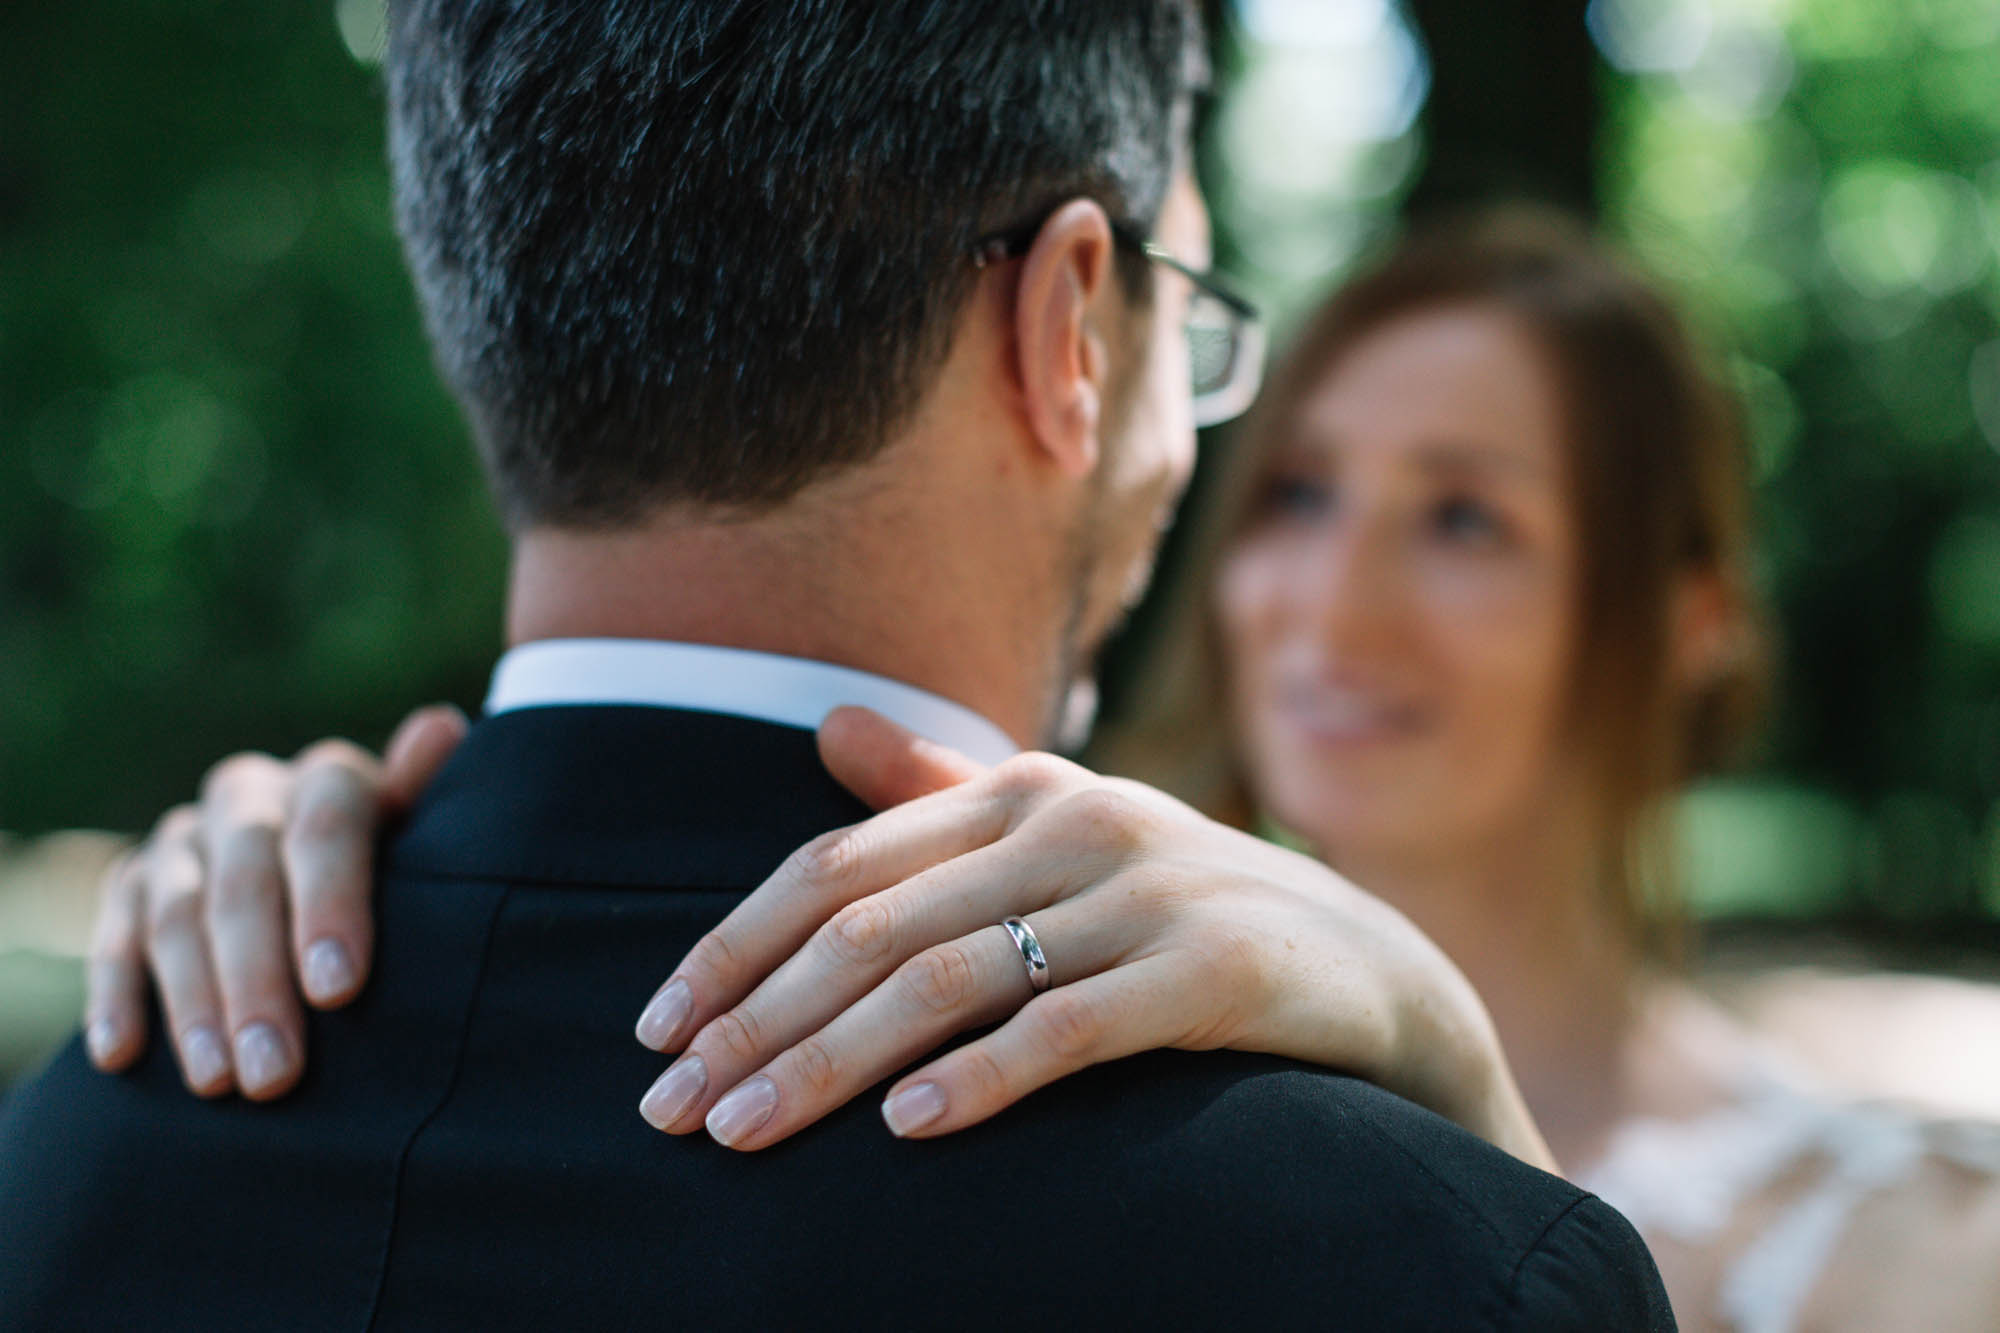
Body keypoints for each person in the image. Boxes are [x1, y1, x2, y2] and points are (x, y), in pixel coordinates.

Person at [0, 4, 1674, 1329]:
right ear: (1070, 325)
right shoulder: (1404, 1263)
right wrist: (1467, 1108)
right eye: (1188, 312)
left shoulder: (68, 1150)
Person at [102, 206, 2000, 1331]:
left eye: (1467, 520)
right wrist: (403, 876)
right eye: (1304, 492)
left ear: (1688, 621)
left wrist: (1467, 1102)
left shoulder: (1921, 1245)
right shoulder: (1033, 1018)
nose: (1330, 603)